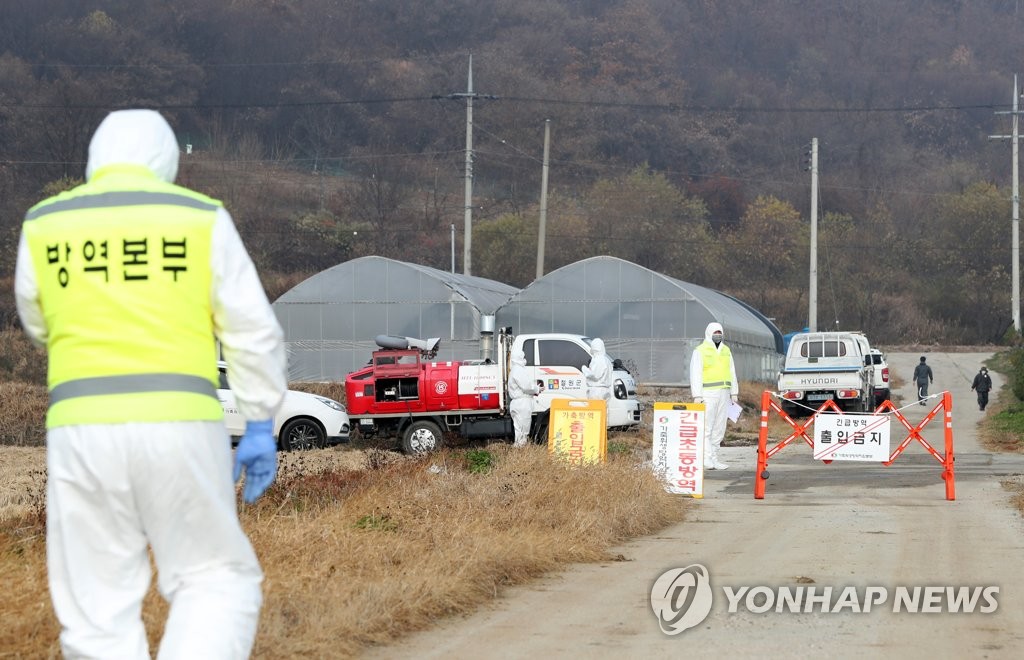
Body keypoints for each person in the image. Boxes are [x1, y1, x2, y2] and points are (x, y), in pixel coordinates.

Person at [14, 109, 287, 659]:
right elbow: (252, 330)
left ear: (95, 159)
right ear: (168, 162)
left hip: (80, 430)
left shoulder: (45, 225)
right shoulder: (199, 217)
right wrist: (260, 417)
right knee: (214, 577)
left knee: (95, 611)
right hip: (182, 426)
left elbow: (38, 321)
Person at [690, 322, 739, 470]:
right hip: (708, 394)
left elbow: (732, 371)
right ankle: (706, 458)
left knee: (719, 427)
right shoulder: (700, 350)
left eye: (720, 332)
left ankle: (714, 457)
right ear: (709, 333)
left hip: (724, 393)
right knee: (707, 427)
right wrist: (697, 395)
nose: (718, 335)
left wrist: (734, 392)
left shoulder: (726, 350)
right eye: (715, 332)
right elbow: (695, 373)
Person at [507, 348, 540, 447]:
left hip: (517, 403)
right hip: (522, 404)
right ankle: (520, 453)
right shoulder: (519, 370)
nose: (524, 358)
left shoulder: (514, 370)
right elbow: (526, 386)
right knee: (523, 432)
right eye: (523, 356)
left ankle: (518, 452)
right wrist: (537, 389)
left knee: (519, 431)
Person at [582, 337, 614, 403]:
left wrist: (585, 370)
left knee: (596, 411)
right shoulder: (607, 360)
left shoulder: (598, 360)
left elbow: (595, 375)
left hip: (597, 391)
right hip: (605, 390)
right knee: (604, 411)